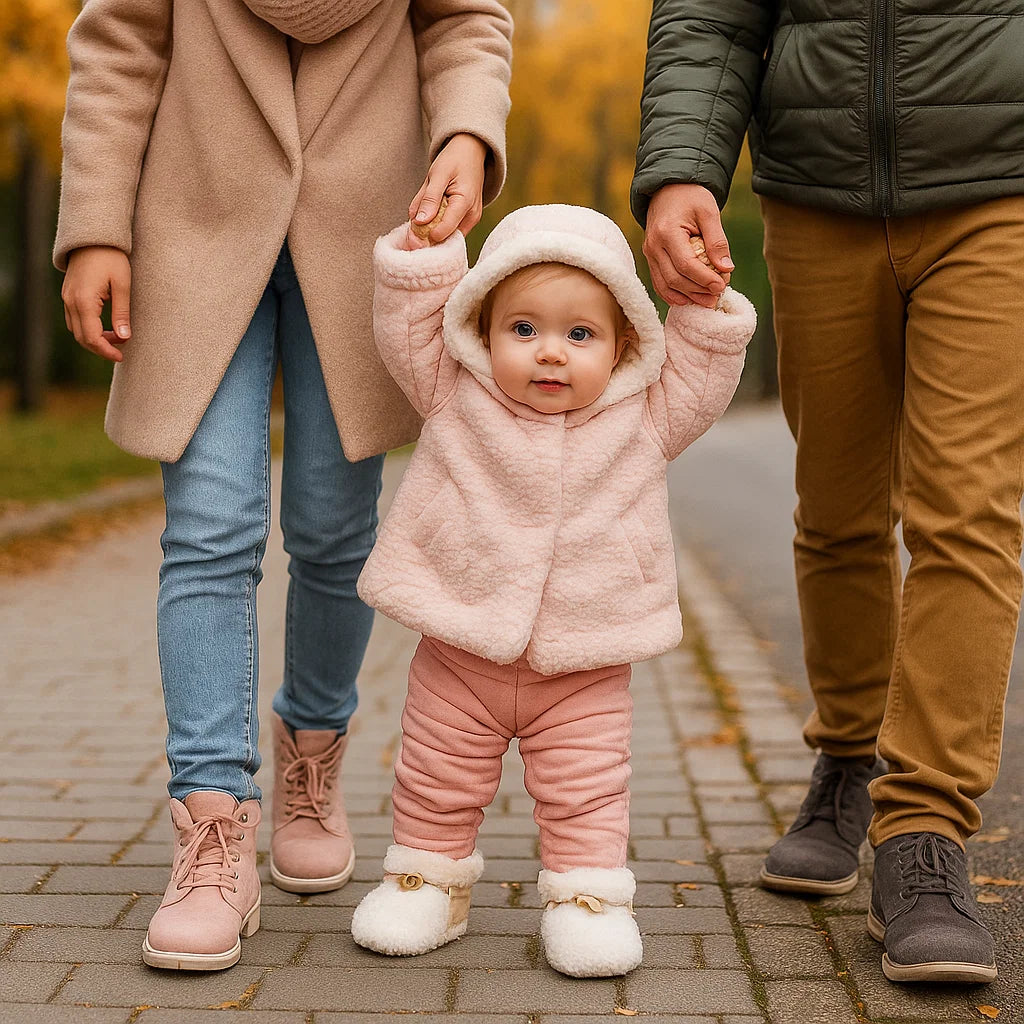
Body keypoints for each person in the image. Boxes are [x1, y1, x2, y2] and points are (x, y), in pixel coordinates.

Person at [54, 0, 512, 971]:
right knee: (211, 525)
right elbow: (119, 41)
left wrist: (468, 132)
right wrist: (95, 225)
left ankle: (312, 750)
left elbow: (466, 18)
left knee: (333, 525)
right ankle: (213, 823)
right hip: (193, 214)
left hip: (370, 222)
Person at [631, 0, 1024, 985]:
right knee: (838, 504)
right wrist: (683, 164)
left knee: (968, 508)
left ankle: (922, 827)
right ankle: (847, 755)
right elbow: (709, 13)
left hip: (999, 178)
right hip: (816, 188)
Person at [342, 203, 756, 976]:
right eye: (523, 330)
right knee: (435, 776)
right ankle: (425, 881)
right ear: (482, 330)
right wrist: (426, 255)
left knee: (587, 791)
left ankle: (587, 900)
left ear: (625, 341)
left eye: (580, 334)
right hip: (460, 650)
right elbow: (408, 324)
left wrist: (700, 304)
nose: (550, 355)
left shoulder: (646, 415)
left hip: (586, 661)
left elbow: (702, 373)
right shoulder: (452, 390)